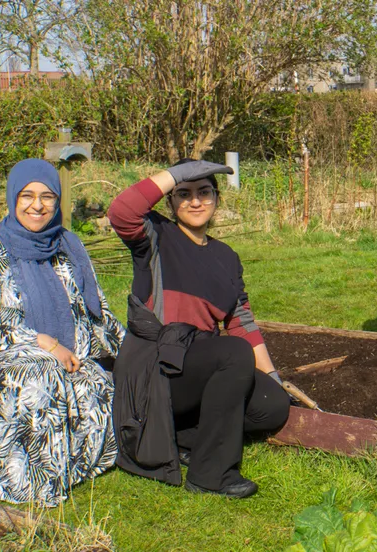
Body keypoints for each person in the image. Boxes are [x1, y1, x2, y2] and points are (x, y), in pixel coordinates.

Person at [107, 159, 290, 499]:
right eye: (184, 193)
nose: (195, 201)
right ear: (170, 201)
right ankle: (210, 474)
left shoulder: (226, 256)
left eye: (204, 192)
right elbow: (121, 211)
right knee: (232, 354)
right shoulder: (156, 236)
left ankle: (182, 438)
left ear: (217, 199)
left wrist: (273, 377)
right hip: (155, 371)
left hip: (196, 368)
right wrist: (180, 171)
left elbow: (241, 321)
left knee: (273, 405)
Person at [0, 159, 125, 507]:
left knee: (99, 382)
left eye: (47, 196)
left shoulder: (68, 247)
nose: (37, 205)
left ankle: (69, 465)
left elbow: (97, 309)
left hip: (67, 355)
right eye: (27, 195)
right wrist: (40, 342)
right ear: (13, 198)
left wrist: (130, 347)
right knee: (41, 375)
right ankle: (23, 482)